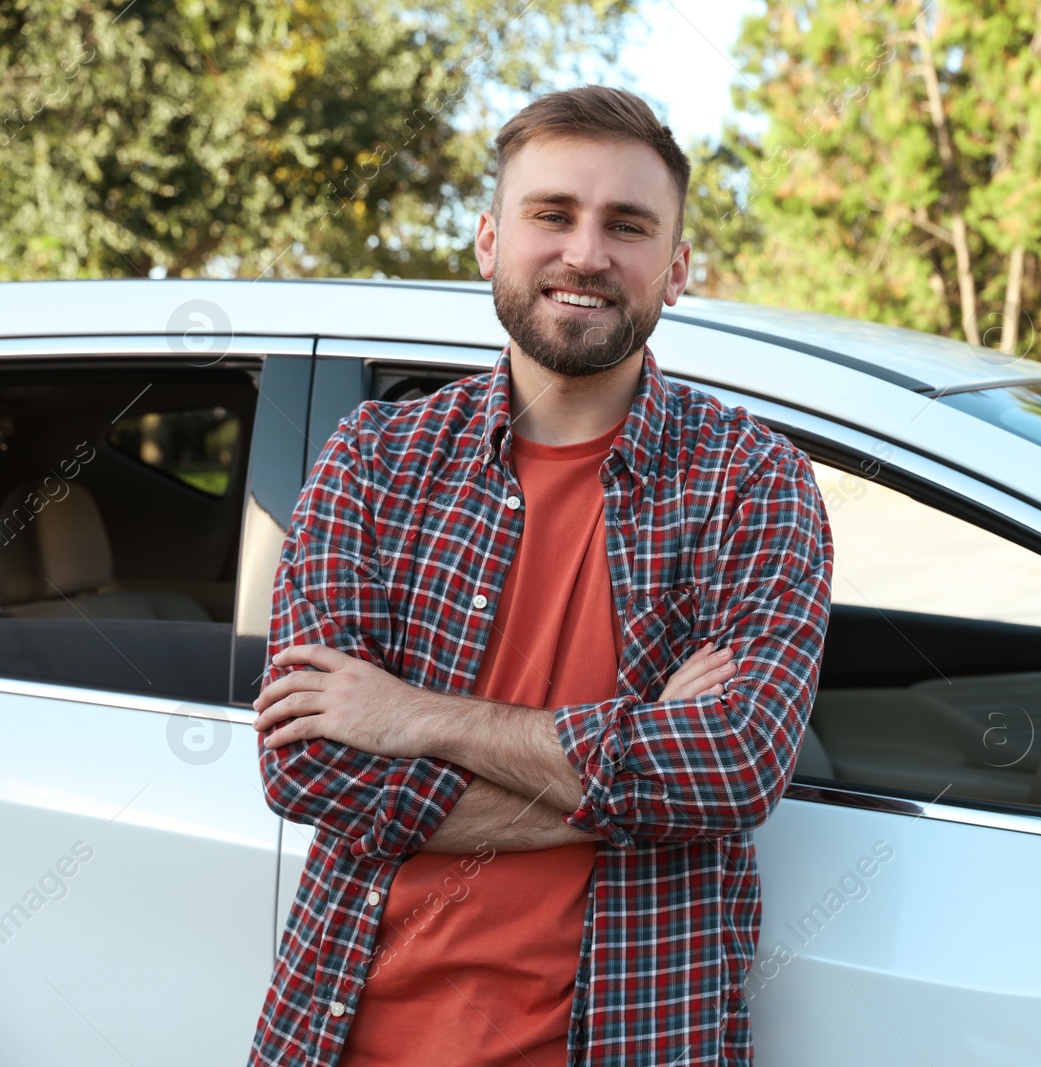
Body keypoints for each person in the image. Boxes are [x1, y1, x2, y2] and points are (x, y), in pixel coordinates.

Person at [246, 84, 834, 1067]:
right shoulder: (373, 460)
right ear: (488, 240)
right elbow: (307, 764)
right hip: (344, 1031)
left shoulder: (749, 479)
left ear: (676, 267)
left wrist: (421, 716)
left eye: (628, 225)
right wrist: (638, 768)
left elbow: (734, 763)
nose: (586, 252)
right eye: (551, 213)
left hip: (632, 1032)